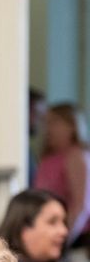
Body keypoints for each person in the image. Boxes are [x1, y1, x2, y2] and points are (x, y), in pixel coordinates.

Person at [34, 103, 90, 245]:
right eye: (46, 122)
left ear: (72, 126)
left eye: (54, 122)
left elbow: (81, 206)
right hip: (48, 234)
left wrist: (64, 240)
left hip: (74, 237)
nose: (48, 128)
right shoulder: (48, 158)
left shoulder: (75, 156)